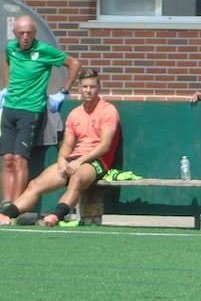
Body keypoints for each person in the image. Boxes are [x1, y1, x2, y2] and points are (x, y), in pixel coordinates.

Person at [0, 69, 119, 228]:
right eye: (85, 87)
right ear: (79, 88)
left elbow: (105, 146)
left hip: (97, 161)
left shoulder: (108, 110)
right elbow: (67, 145)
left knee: (76, 179)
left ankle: (56, 216)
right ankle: (6, 215)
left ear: (99, 88)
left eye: (92, 87)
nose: (88, 90)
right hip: (74, 159)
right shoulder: (75, 114)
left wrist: (80, 162)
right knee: (35, 184)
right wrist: (62, 160)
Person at [1, 15, 81, 206]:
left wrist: (63, 92)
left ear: (35, 33)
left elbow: (74, 64)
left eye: (29, 33)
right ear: (15, 34)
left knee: (20, 159)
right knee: (7, 159)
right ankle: (5, 203)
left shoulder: (43, 50)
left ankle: (17, 208)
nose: (25, 37)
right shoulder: (11, 48)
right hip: (10, 108)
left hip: (31, 111)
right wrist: (6, 87)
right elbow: (6, 62)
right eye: (21, 33)